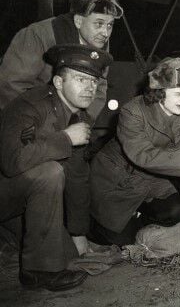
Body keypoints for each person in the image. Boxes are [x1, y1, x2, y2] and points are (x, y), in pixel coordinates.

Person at [0, 44, 113, 291]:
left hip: (19, 201)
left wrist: (79, 233)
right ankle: (38, 272)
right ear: (59, 83)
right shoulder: (30, 105)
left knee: (71, 254)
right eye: (81, 79)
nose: (90, 87)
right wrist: (65, 139)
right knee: (49, 172)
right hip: (5, 191)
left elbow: (78, 177)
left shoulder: (79, 118)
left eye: (94, 81)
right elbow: (10, 162)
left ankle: (12, 235)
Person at [90, 57, 180, 246]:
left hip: (155, 178)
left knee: (177, 211)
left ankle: (143, 215)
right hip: (118, 180)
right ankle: (98, 224)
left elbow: (178, 145)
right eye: (178, 93)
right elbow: (143, 156)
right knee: (120, 240)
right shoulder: (132, 112)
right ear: (159, 92)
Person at [0, 0, 123, 120]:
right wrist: (40, 124)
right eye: (99, 24)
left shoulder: (97, 40)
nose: (105, 33)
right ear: (78, 21)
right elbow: (11, 85)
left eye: (110, 25)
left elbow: (99, 87)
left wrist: (83, 121)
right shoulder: (39, 35)